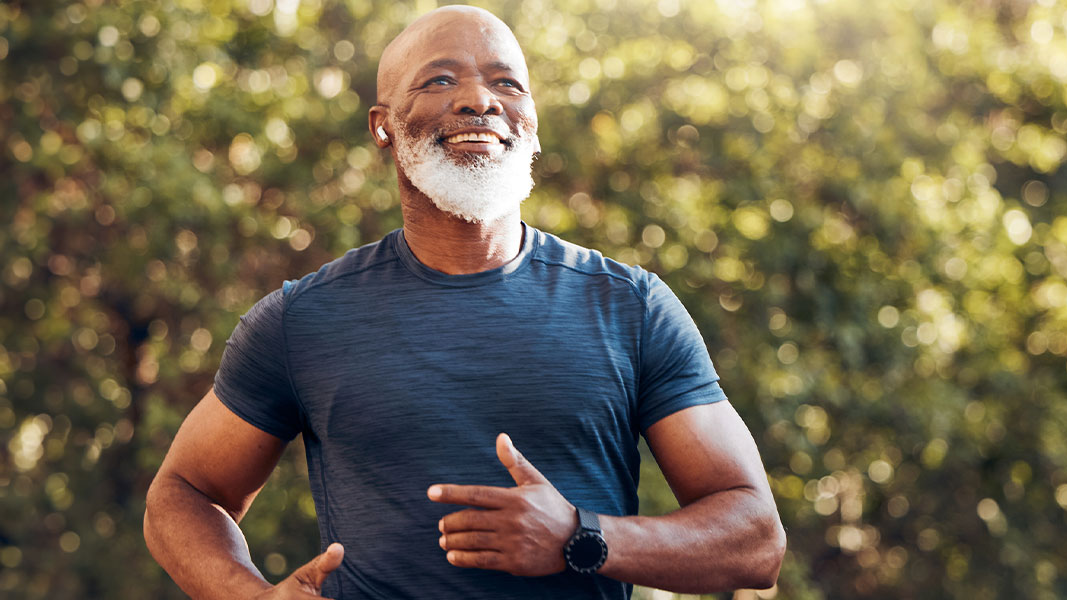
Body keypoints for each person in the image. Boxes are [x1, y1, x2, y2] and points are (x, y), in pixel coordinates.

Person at [142, 6, 785, 599]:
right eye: (440, 80)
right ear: (383, 127)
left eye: (507, 84)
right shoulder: (302, 320)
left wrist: (582, 537)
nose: (479, 99)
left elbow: (756, 539)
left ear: (531, 120)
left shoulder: (631, 308)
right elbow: (183, 493)